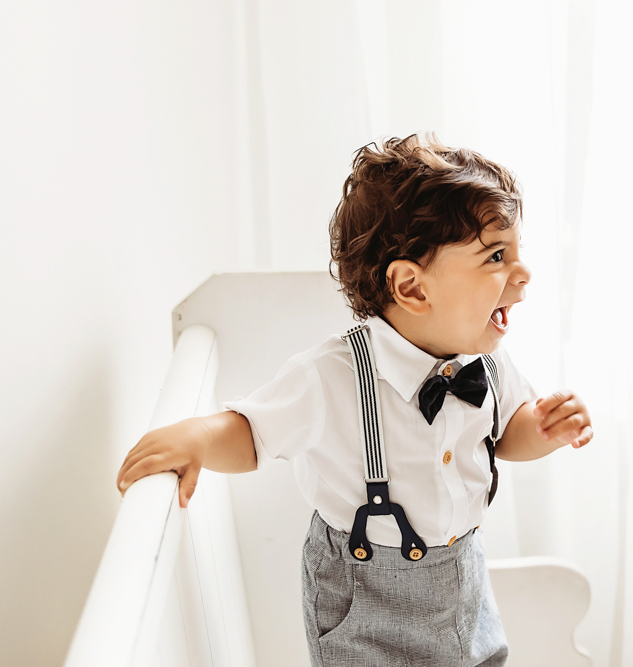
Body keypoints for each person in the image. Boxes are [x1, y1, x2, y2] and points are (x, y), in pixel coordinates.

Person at [116, 133, 594, 666]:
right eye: (497, 257)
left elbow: (508, 436)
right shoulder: (331, 376)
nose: (522, 275)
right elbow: (253, 435)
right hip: (364, 602)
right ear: (412, 287)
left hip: (463, 586)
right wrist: (199, 438)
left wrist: (546, 430)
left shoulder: (488, 362)